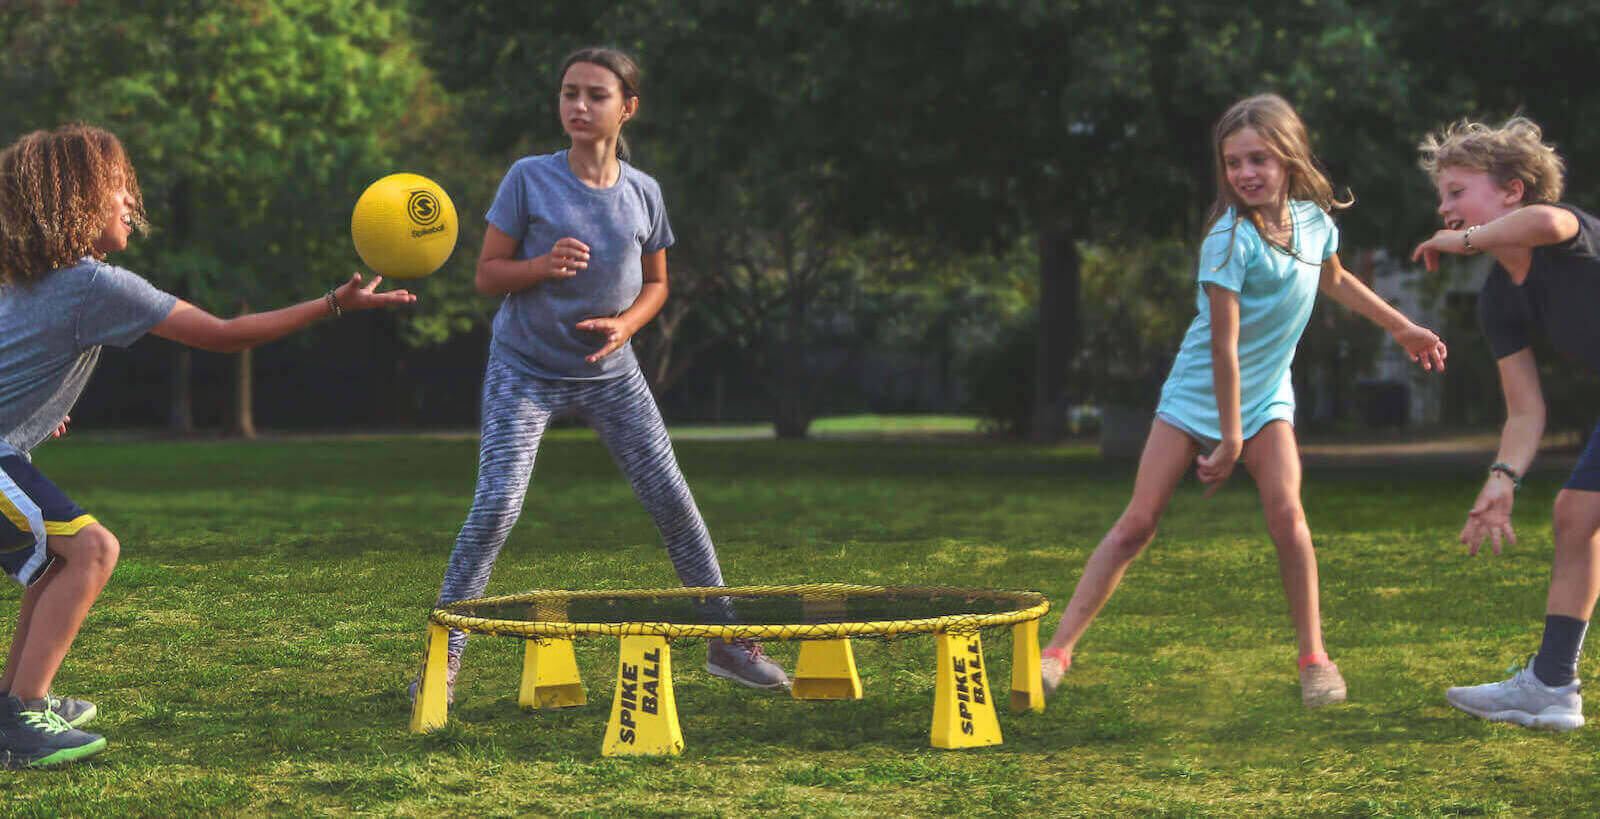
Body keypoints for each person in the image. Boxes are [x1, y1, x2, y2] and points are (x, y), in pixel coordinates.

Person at [0, 125, 416, 768]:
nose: (130, 206)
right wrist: (333, 303)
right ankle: (24, 717)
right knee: (92, 549)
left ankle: (16, 703)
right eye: (118, 191)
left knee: (62, 557)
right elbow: (225, 335)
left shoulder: (32, 281)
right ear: (77, 200)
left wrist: (35, 413)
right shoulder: (94, 287)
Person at [1038, 94, 1448, 707]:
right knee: (1138, 523)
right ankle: (1055, 653)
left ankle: (1315, 661)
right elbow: (1222, 350)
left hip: (1266, 397)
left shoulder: (1313, 222)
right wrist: (1228, 439)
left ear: (1288, 158)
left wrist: (1401, 326)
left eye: (1257, 158)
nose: (1245, 173)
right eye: (1233, 163)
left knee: (1289, 518)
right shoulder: (1228, 241)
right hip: (1197, 393)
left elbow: (1333, 279)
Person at [412, 46, 787, 704]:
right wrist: (540, 267)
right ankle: (442, 660)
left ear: (628, 108)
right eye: (568, 93)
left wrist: (628, 325)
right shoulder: (528, 178)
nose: (578, 106)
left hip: (611, 373)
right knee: (497, 505)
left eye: (595, 95)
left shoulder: (645, 193)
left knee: (673, 502)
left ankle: (727, 642)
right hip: (524, 368)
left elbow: (659, 282)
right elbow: (486, 274)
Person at [1411, 117, 1600, 732]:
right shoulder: (1498, 298)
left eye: (1457, 192)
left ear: (1513, 190)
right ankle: (1551, 684)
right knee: (1576, 515)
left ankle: (1549, 684)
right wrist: (1502, 478)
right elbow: (1525, 410)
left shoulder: (1562, 231)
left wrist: (1454, 242)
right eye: (1443, 197)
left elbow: (1545, 222)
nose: (1446, 210)